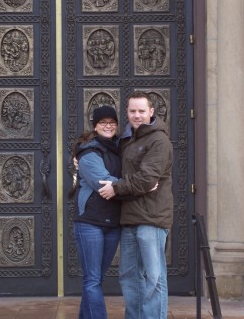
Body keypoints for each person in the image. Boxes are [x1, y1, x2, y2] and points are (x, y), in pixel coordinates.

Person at [98, 91, 174, 319]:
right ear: (127, 113)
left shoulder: (159, 141)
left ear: (151, 112)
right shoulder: (127, 139)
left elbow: (146, 180)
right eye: (132, 111)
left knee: (153, 277)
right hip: (129, 217)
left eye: (142, 111)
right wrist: (78, 155)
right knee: (129, 277)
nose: (137, 115)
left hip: (152, 218)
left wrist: (116, 188)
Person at [72, 105, 123, 319]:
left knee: (96, 280)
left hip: (113, 222)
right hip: (90, 222)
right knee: (92, 280)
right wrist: (135, 186)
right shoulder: (88, 152)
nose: (108, 126)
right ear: (95, 126)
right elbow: (103, 183)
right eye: (103, 122)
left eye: (112, 122)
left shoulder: (119, 149)